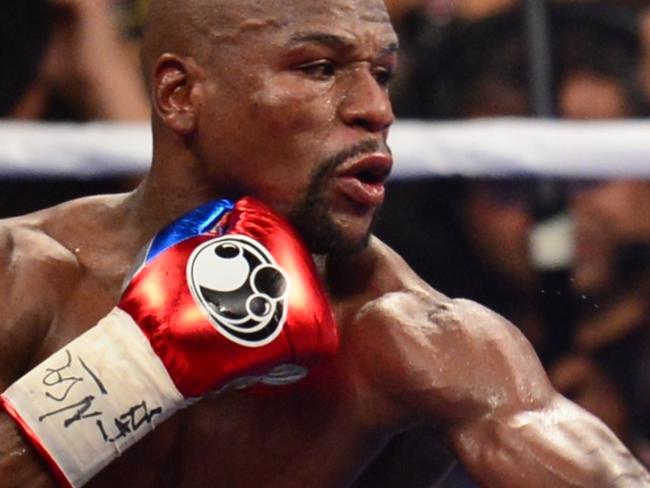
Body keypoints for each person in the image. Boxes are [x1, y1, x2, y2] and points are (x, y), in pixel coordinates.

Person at [1, 1, 649, 487]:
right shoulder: (29, 275)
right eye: (319, 68)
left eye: (383, 72)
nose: (375, 108)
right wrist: (130, 372)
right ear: (181, 95)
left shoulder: (412, 337)